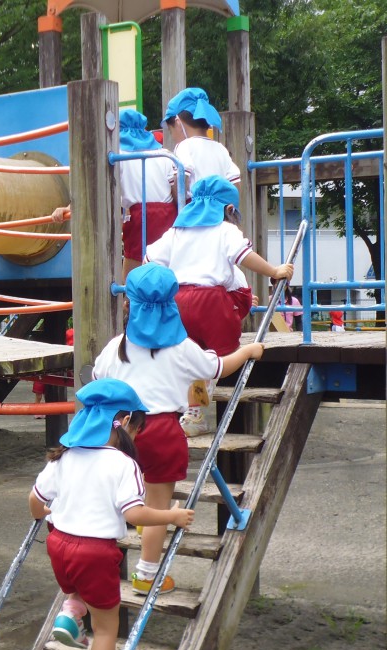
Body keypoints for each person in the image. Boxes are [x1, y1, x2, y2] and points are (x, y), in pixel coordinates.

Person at [93, 264, 264, 595]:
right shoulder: (182, 348)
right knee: (159, 506)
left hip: (121, 428)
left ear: (130, 304)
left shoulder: (117, 346)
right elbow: (218, 366)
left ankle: (129, 537)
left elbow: (100, 378)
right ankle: (147, 573)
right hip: (162, 430)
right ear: (173, 304)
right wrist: (247, 351)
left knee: (131, 483)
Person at [28, 379, 194, 650]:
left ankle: (71, 611)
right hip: (95, 552)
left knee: (76, 586)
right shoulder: (123, 464)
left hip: (58, 543)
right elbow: (134, 513)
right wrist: (171, 515)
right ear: (126, 424)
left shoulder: (64, 455)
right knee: (106, 629)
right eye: (137, 428)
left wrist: (41, 515)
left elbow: (35, 499)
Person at [144, 175, 293, 436]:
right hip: (210, 301)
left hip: (177, 300)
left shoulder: (178, 231)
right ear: (228, 210)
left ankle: (184, 411)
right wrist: (274, 271)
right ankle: (197, 412)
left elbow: (149, 259)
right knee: (218, 359)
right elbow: (245, 256)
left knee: (187, 355)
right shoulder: (225, 230)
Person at [117, 109, 178, 284]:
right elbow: (175, 190)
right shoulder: (164, 154)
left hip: (138, 213)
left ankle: (128, 302)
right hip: (168, 213)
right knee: (165, 266)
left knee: (134, 266)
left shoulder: (117, 153)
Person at [163, 87, 240, 193]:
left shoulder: (184, 146)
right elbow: (235, 183)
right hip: (219, 207)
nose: (172, 137)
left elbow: (181, 180)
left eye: (170, 131)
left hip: (195, 207)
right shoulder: (221, 148)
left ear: (178, 123)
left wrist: (178, 200)